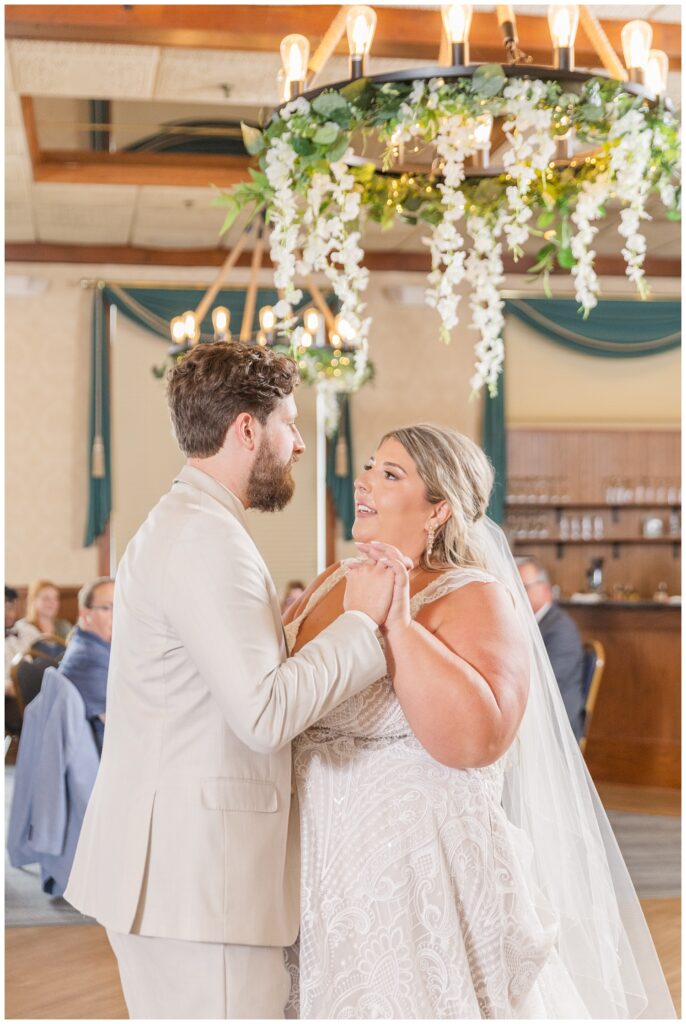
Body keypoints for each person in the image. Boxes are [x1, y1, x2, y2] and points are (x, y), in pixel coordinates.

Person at [283, 423, 674, 1019]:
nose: (364, 482)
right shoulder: (334, 581)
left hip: (417, 877)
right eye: (370, 468)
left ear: (438, 507)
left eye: (391, 475)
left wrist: (397, 622)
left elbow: (476, 740)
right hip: (315, 865)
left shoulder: (476, 594)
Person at [64, 341, 399, 1020]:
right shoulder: (206, 540)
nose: (300, 445)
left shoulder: (182, 524)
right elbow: (265, 714)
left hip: (177, 873)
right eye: (292, 423)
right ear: (247, 428)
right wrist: (362, 625)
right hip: (198, 881)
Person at [517, 556, 586, 741]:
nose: (516, 594)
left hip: (555, 724)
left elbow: (543, 683)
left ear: (545, 589)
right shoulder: (522, 623)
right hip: (528, 714)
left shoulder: (561, 628)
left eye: (523, 588)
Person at [58, 577, 114, 755]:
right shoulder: (90, 659)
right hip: (100, 763)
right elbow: (115, 728)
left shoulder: (91, 646)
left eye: (120, 607)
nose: (117, 614)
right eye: (107, 607)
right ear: (85, 615)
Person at [13, 579, 71, 650]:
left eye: (55, 598)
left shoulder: (63, 626)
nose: (52, 603)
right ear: (32, 600)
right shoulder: (21, 627)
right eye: (46, 598)